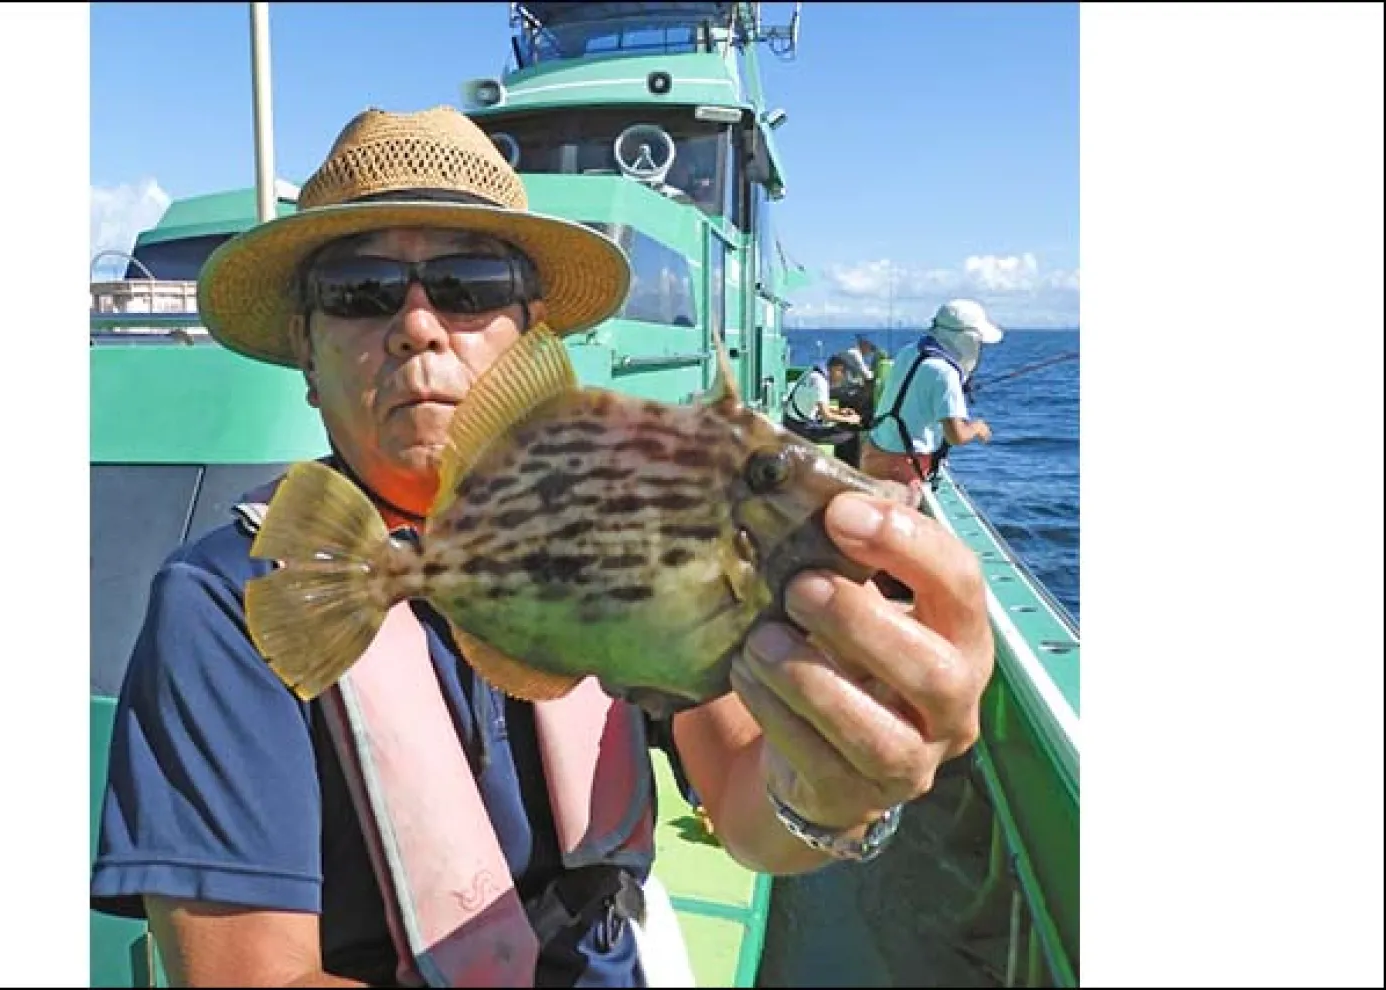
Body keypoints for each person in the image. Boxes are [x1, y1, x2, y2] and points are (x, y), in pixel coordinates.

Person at [89, 105, 996, 989]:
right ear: (307, 356)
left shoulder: (618, 514)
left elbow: (745, 796)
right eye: (359, 291)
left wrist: (835, 786)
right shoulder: (228, 602)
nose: (417, 325)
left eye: (471, 284)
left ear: (530, 332)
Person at [861, 299, 1002, 491]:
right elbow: (956, 436)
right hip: (902, 468)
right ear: (966, 339)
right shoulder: (946, 373)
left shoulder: (910, 351)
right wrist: (977, 427)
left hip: (873, 450)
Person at [781, 353, 864, 453]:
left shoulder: (813, 373)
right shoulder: (821, 383)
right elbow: (826, 416)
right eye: (844, 374)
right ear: (837, 369)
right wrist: (850, 419)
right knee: (848, 434)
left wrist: (839, 411)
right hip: (800, 429)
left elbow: (816, 405)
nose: (843, 379)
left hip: (790, 422)